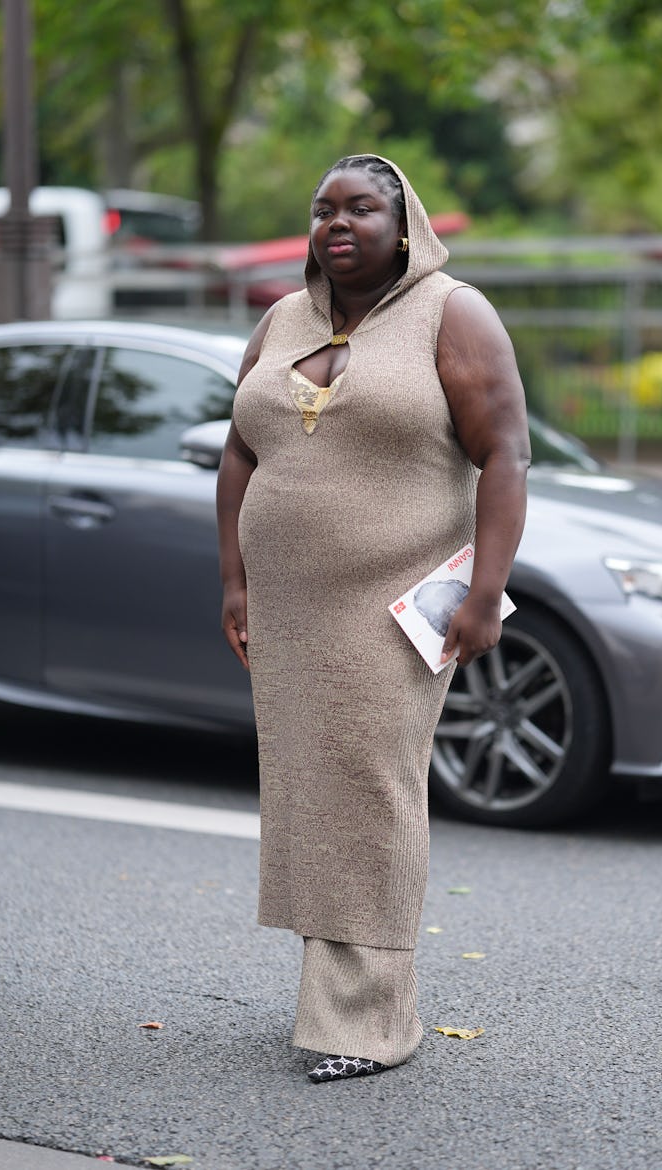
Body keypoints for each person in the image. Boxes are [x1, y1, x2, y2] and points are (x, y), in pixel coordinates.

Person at [216, 154, 530, 1083]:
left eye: (361, 208)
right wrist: (233, 580)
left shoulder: (452, 311)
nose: (337, 225)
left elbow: (505, 454)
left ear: (407, 226)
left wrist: (485, 594)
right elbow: (240, 449)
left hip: (396, 607)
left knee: (371, 793)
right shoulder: (284, 319)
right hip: (287, 606)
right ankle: (332, 1001)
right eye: (322, 211)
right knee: (311, 793)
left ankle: (369, 1025)